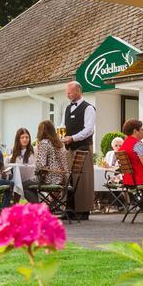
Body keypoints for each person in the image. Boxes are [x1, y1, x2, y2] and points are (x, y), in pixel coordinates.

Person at [62, 81, 96, 219]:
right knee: (69, 178)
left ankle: (83, 211)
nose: (67, 94)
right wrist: (61, 138)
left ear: (78, 91)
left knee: (83, 179)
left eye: (69, 92)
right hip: (69, 148)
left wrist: (73, 138)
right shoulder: (67, 108)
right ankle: (69, 209)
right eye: (67, 92)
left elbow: (89, 130)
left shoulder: (88, 108)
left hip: (83, 148)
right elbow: (62, 126)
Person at [31, 120, 70, 203]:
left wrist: (35, 172)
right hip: (63, 179)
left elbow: (41, 165)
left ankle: (38, 209)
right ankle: (49, 205)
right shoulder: (59, 143)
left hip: (50, 179)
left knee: (24, 185)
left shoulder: (44, 143)